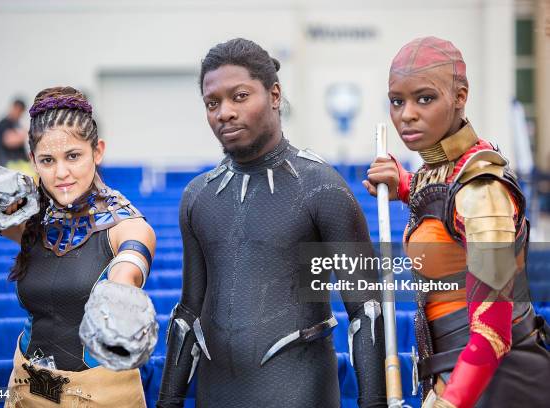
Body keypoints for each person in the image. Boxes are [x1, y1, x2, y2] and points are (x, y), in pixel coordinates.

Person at [157, 38, 386, 408]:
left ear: (274, 95)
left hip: (300, 394)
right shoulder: (197, 197)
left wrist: (374, 403)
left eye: (240, 96)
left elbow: (366, 310)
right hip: (216, 394)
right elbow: (189, 312)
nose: (224, 112)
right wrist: (167, 401)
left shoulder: (322, 189)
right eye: (212, 103)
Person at [0, 86, 158, 407]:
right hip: (26, 389)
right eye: (47, 160)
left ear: (97, 151)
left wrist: (122, 289)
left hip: (100, 396)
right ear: (33, 161)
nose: (61, 173)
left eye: (73, 156)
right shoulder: (29, 221)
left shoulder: (126, 225)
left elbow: (130, 265)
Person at [364, 36, 550, 407]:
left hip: (497, 385)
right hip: (457, 376)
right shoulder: (449, 170)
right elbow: (444, 206)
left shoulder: (482, 190)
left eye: (425, 98)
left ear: (460, 97)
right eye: (397, 101)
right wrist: (403, 184)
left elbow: (492, 334)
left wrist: (449, 403)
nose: (407, 114)